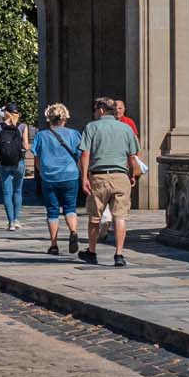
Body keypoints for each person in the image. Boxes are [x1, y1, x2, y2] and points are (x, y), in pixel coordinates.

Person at [77, 97, 142, 267]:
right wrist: (133, 175)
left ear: (100, 110)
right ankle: (119, 254)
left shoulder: (92, 127)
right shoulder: (126, 128)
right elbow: (132, 155)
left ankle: (92, 251)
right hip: (121, 176)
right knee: (120, 217)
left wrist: (84, 177)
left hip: (99, 176)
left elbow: (85, 154)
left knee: (94, 217)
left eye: (94, 109)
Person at [32, 103, 83, 256]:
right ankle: (73, 231)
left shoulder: (41, 135)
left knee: (52, 211)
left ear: (49, 119)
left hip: (49, 177)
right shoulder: (74, 134)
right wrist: (81, 172)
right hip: (70, 175)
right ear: (65, 118)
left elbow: (36, 157)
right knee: (70, 208)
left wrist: (42, 172)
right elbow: (81, 155)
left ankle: (54, 244)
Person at [0, 104, 28, 232]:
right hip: (19, 162)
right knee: (18, 191)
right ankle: (17, 219)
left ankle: (11, 222)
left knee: (7, 193)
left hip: (4, 163)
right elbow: (26, 146)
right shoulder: (22, 126)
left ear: (6, 113)